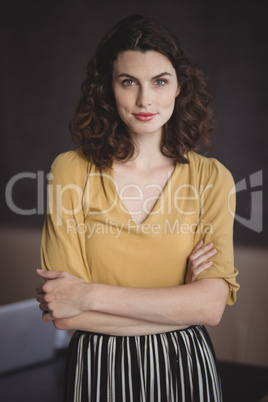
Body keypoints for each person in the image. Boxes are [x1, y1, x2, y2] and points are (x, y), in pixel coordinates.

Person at [36, 15, 239, 402]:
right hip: (98, 366)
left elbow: (210, 307)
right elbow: (64, 312)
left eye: (160, 81)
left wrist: (89, 296)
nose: (145, 100)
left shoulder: (213, 179)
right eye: (128, 82)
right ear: (108, 88)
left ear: (179, 86)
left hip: (185, 367)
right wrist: (180, 304)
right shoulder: (71, 171)